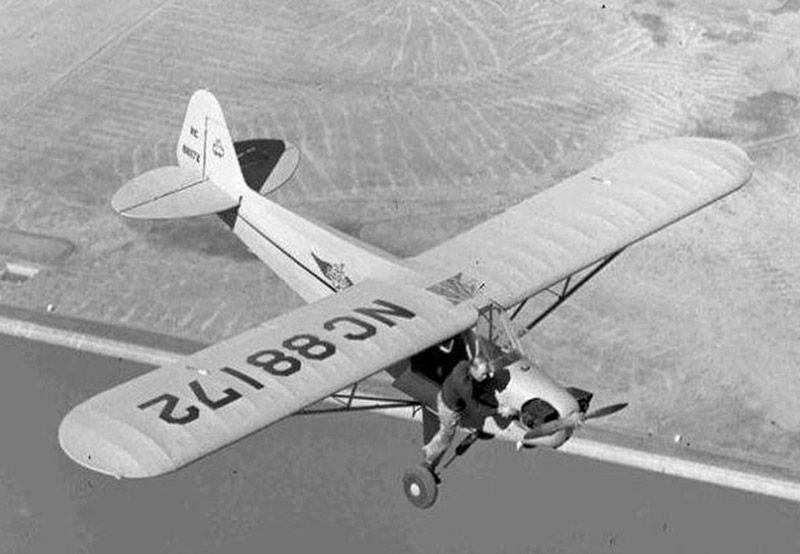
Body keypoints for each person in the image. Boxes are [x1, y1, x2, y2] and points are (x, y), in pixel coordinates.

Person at [422, 355, 501, 471]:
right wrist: (498, 411)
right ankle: (429, 459)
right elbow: (477, 408)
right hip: (449, 410)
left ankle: (473, 426)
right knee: (446, 436)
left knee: (481, 389)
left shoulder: (463, 364)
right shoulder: (465, 387)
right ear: (473, 369)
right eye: (483, 374)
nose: (485, 376)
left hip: (447, 393)